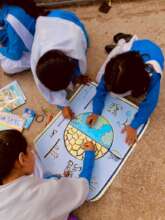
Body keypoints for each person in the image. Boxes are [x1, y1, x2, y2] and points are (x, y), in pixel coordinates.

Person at [87, 33, 164, 145]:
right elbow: (101, 89)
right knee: (101, 77)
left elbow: (150, 104)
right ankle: (124, 40)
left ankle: (124, 39)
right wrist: (96, 111)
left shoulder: (154, 76)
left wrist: (134, 126)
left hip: (154, 53)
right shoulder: (113, 70)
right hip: (135, 47)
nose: (108, 88)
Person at [0, 129, 95, 220]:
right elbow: (82, 187)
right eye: (29, 149)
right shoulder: (48, 191)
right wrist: (89, 154)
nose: (33, 153)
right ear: (22, 159)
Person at [31, 10, 90, 120]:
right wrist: (62, 105)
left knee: (86, 41)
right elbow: (45, 88)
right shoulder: (36, 61)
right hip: (47, 25)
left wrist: (78, 76)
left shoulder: (75, 40)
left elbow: (79, 58)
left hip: (69, 19)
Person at [0, 0, 40, 74]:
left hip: (36, 49)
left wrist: (1, 50)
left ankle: (35, 61)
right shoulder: (12, 6)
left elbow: (15, 55)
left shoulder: (12, 19)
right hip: (32, 38)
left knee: (7, 66)